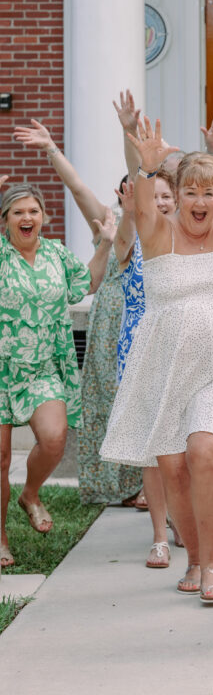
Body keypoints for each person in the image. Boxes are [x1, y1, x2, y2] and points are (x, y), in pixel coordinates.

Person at [100, 118, 213, 604]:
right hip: (163, 371)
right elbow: (144, 202)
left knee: (205, 453)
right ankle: (192, 556)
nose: (199, 202)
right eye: (190, 192)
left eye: (209, 193)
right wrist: (148, 167)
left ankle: (211, 565)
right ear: (178, 194)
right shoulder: (156, 231)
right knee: (172, 471)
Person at [12, 118, 143, 507]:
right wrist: (52, 148)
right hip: (111, 324)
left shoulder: (168, 226)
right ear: (122, 193)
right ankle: (119, 484)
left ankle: (152, 485)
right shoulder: (111, 222)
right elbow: (78, 187)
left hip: (151, 319)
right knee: (109, 401)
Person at [0, 177, 115, 567]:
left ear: (44, 218)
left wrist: (106, 243)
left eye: (33, 211)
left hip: (44, 367)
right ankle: (0, 540)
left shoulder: (56, 254)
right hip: (1, 368)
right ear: (6, 220)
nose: (26, 217)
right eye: (18, 212)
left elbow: (87, 283)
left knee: (55, 437)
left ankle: (30, 493)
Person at [114, 172, 178, 567]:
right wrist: (128, 214)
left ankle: (181, 518)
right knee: (153, 449)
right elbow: (121, 241)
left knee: (185, 447)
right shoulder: (131, 238)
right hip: (140, 347)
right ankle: (159, 536)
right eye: (150, 197)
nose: (159, 202)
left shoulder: (193, 236)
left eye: (166, 195)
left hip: (185, 344)